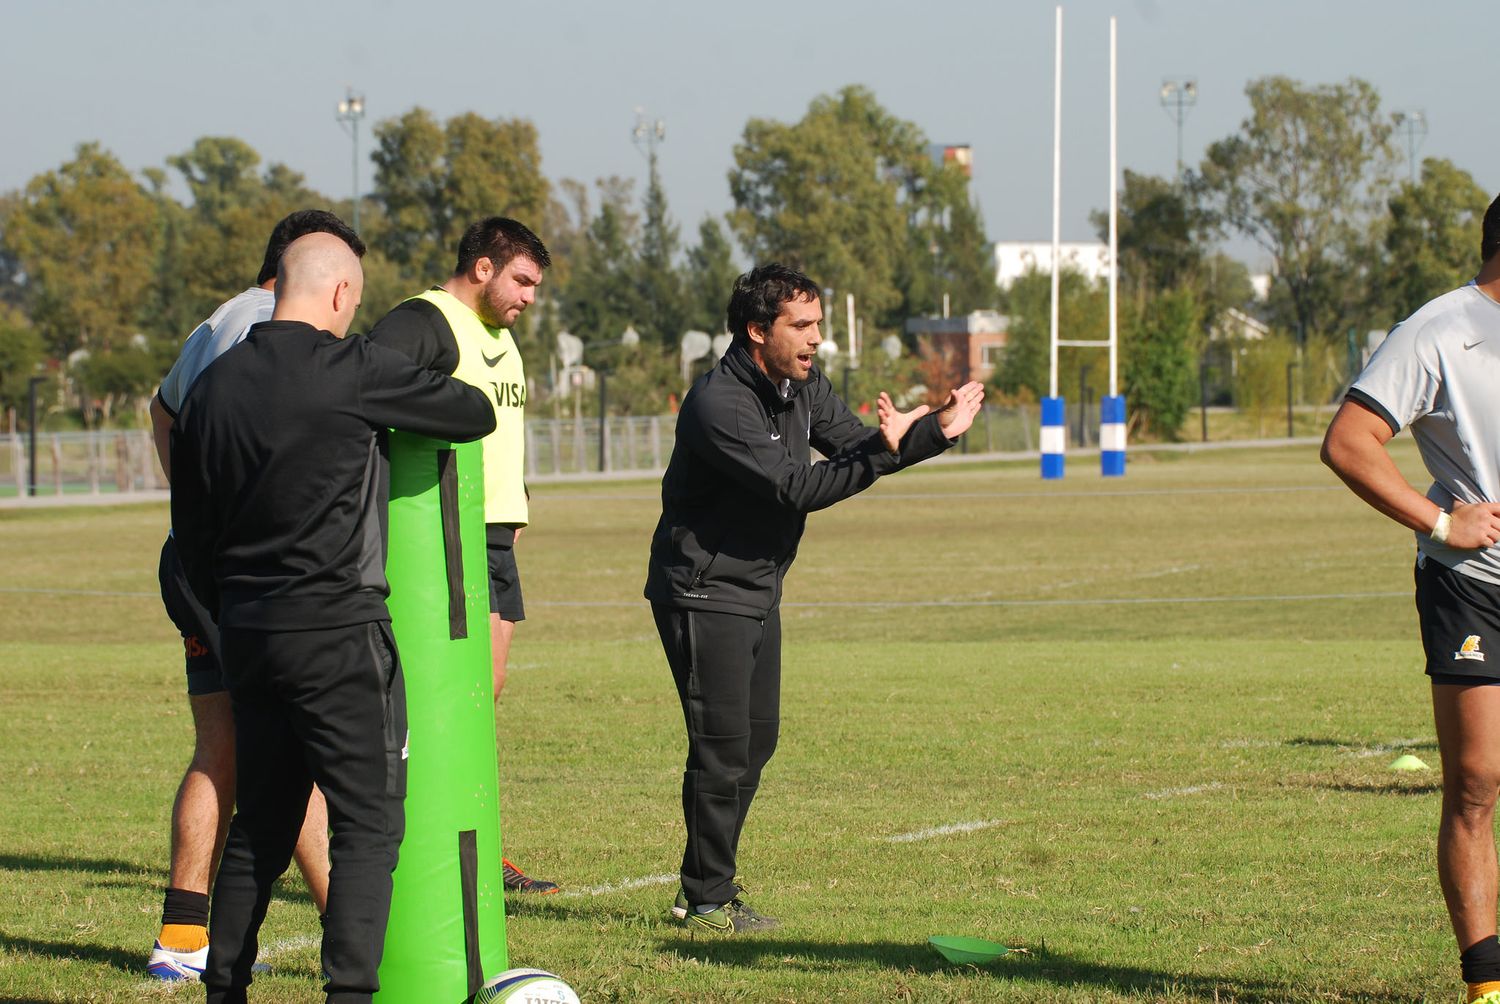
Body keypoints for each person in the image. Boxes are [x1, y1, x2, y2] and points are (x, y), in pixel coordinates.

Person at [170, 232, 496, 1003]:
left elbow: (192, 535)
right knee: (369, 827)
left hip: (248, 631)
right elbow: (471, 412)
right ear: (343, 295)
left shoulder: (213, 389)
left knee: (264, 822)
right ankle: (350, 994)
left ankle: (226, 989)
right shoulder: (350, 369)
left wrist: (237, 608)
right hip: (339, 633)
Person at [644, 263, 984, 932]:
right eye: (801, 326)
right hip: (703, 589)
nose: (816, 339)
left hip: (756, 588)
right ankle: (710, 897)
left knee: (756, 743)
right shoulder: (720, 404)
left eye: (818, 324)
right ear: (755, 331)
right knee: (721, 748)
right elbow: (799, 486)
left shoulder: (802, 386)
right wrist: (890, 454)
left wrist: (933, 433)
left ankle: (699, 884)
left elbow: (860, 446)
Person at [146, 210, 363, 981]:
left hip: (198, 564)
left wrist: (197, 506)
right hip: (254, 578)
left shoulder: (216, 320)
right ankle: (351, 924)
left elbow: (164, 411)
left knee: (224, 744)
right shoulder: (273, 329)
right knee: (286, 746)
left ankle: (181, 936)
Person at [1322, 193, 1500, 1004]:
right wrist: (1439, 520)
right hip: (1473, 589)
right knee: (1476, 782)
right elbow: (1349, 441)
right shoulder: (1438, 328)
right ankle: (1487, 985)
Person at [367, 216, 558, 894]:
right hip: (441, 537)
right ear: (482, 267)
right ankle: (408, 840)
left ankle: (470, 836)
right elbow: (367, 387)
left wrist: (518, 505)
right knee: (436, 699)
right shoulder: (425, 321)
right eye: (522, 281)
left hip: (496, 537)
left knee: (483, 694)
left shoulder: (501, 340)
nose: (530, 298)